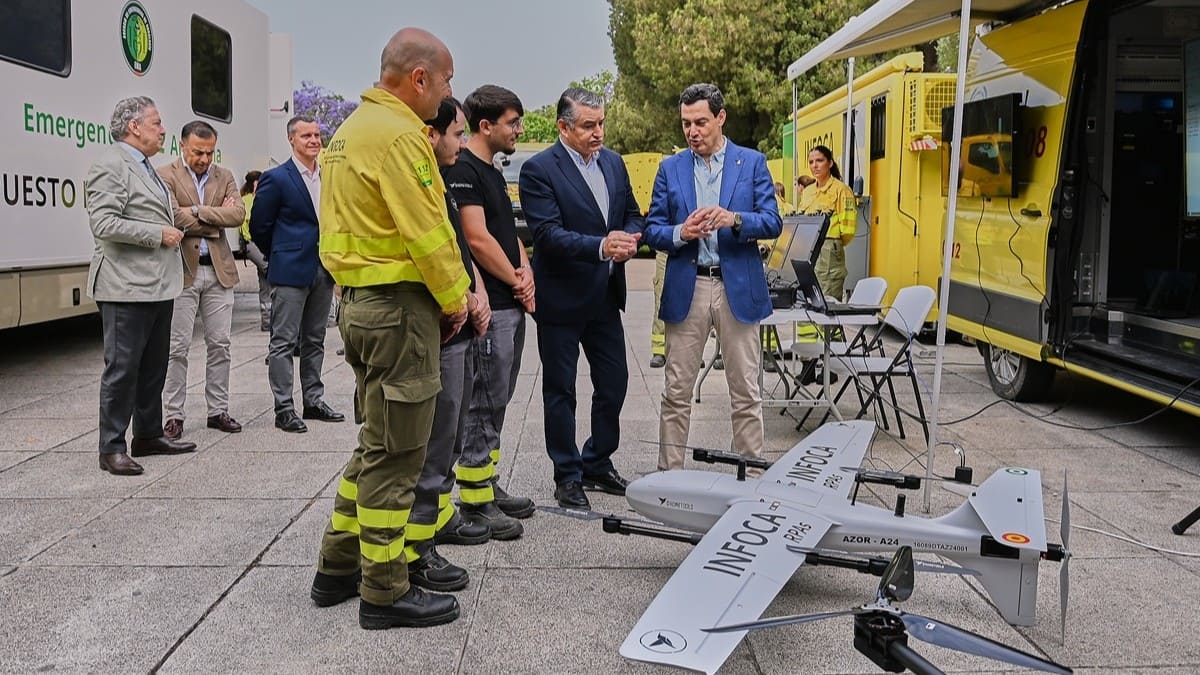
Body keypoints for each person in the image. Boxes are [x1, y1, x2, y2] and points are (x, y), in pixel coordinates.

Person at [310, 27, 470, 631]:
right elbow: (429, 234)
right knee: (399, 455)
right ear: (420, 78)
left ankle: (336, 567)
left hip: (358, 306)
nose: (449, 92)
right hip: (401, 313)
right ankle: (384, 590)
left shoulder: (349, 132)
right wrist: (458, 300)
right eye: (447, 79)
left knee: (375, 444)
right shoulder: (402, 136)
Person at [643, 83, 781, 472]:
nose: (692, 131)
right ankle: (669, 475)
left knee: (746, 391)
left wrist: (734, 219)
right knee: (676, 391)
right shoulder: (670, 169)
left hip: (735, 286)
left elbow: (772, 221)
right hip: (689, 286)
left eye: (700, 122)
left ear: (721, 118)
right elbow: (652, 228)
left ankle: (751, 474)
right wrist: (679, 233)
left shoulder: (751, 162)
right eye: (686, 123)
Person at [519, 87, 644, 510]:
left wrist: (630, 236)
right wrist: (601, 247)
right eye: (588, 126)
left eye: (601, 123)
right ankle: (567, 474)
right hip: (561, 299)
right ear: (564, 127)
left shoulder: (613, 162)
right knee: (562, 390)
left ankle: (597, 459)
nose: (598, 133)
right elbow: (547, 235)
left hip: (605, 296)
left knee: (614, 383)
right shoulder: (539, 170)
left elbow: (632, 212)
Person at [400, 96, 494, 591]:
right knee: (433, 443)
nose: (460, 143)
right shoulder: (420, 178)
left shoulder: (440, 181)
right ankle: (417, 552)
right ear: (432, 134)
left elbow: (457, 247)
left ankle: (436, 520)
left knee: (451, 433)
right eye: (455, 134)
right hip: (438, 323)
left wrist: (476, 293)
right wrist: (464, 300)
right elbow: (432, 253)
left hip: (459, 318)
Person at [86, 96, 197, 476]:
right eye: (157, 123)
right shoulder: (110, 165)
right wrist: (157, 234)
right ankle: (111, 447)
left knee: (153, 367)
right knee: (122, 368)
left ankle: (148, 435)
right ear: (134, 127)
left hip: (159, 285)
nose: (163, 129)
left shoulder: (148, 168)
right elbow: (104, 224)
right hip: (124, 287)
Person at [443, 85, 535, 538]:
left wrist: (525, 267)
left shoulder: (491, 170)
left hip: (509, 300)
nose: (518, 130)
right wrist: (517, 281)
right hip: (492, 304)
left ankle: (488, 482)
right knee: (482, 399)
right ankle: (475, 500)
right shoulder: (462, 170)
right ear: (486, 126)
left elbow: (506, 229)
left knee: (498, 398)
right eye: (512, 123)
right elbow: (476, 238)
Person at [249, 116, 344, 433]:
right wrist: (280, 253)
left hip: (324, 268)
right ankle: (284, 408)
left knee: (316, 339)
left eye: (317, 135)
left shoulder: (329, 176)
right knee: (284, 342)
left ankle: (314, 400)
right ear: (291, 139)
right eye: (306, 135)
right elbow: (259, 226)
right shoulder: (276, 178)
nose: (314, 140)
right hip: (290, 269)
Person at [158, 121, 246, 440]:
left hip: (219, 270)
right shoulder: (165, 175)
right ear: (182, 145)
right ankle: (174, 416)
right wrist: (213, 216)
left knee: (220, 345)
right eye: (198, 152)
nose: (204, 159)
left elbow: (238, 216)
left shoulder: (225, 176)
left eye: (209, 153)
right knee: (177, 347)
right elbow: (170, 217)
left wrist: (194, 210)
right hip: (182, 271)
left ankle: (217, 411)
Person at [797, 145, 856, 301]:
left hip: (829, 248)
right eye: (811, 162)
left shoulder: (841, 190)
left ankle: (828, 327)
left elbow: (848, 230)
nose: (814, 166)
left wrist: (832, 244)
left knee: (826, 297)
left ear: (830, 163)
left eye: (819, 161)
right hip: (807, 247)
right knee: (807, 297)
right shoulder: (808, 191)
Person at [239, 170, 270, 331]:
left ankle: (268, 321)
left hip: (257, 243)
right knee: (271, 272)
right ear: (256, 183)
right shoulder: (248, 200)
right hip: (252, 243)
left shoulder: (252, 199)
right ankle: (271, 319)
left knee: (265, 282)